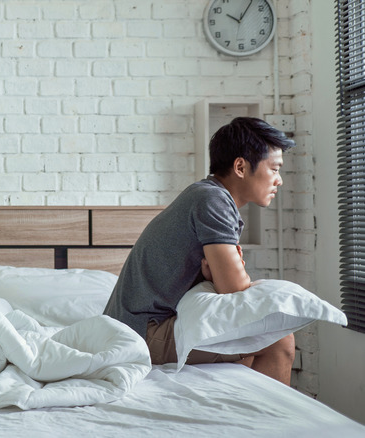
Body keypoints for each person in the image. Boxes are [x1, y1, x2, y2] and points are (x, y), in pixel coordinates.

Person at [104, 117, 297, 385]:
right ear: (240, 166)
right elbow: (235, 289)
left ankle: (247, 418)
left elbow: (227, 285)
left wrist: (214, 277)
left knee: (247, 350)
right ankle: (278, 426)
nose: (279, 181)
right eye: (275, 169)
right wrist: (220, 278)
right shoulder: (213, 200)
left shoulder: (206, 195)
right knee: (277, 338)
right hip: (139, 333)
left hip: (132, 327)